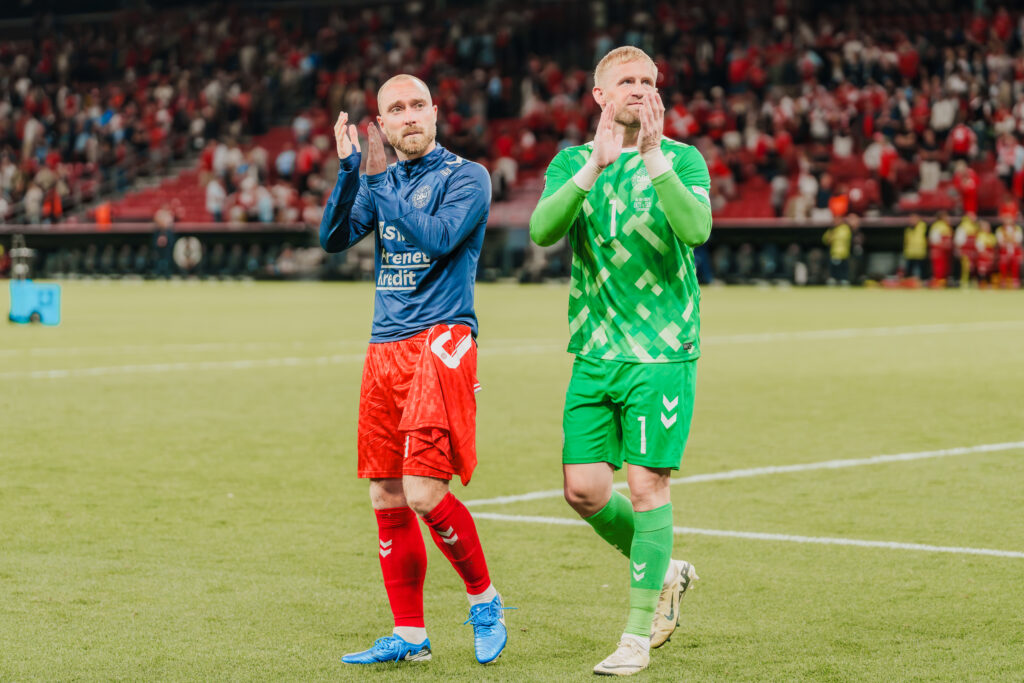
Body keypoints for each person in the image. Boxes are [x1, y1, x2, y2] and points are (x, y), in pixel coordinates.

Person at [319, 74, 509, 666]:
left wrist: (378, 182)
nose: (409, 116)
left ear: (435, 111)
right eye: (395, 109)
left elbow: (438, 238)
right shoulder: (381, 178)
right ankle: (410, 636)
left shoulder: (466, 177)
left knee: (426, 491)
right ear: (380, 122)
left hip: (441, 338)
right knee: (386, 493)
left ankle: (485, 599)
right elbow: (332, 237)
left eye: (417, 105)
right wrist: (352, 171)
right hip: (385, 345)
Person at [528, 46, 705, 676]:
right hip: (594, 353)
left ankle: (635, 637)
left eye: (648, 80)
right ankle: (666, 568)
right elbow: (542, 231)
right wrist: (590, 172)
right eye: (625, 81)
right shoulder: (573, 162)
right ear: (600, 95)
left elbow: (696, 229)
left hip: (661, 352)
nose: (639, 88)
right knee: (583, 489)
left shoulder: (682, 158)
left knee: (646, 486)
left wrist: (653, 158)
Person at [823, 215, 853, 285]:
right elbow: (825, 239)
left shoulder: (845, 228)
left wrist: (833, 236)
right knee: (833, 268)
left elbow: (843, 237)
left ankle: (844, 279)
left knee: (843, 268)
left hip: (843, 253)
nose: (836, 222)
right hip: (834, 253)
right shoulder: (832, 230)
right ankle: (833, 279)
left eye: (837, 220)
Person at [903, 213, 929, 281]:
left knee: (922, 269)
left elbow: (927, 239)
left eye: (914, 219)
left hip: (920, 252)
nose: (912, 220)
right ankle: (908, 283)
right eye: (911, 219)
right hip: (910, 253)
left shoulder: (923, 227)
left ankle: (924, 282)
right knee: (909, 270)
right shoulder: (908, 229)